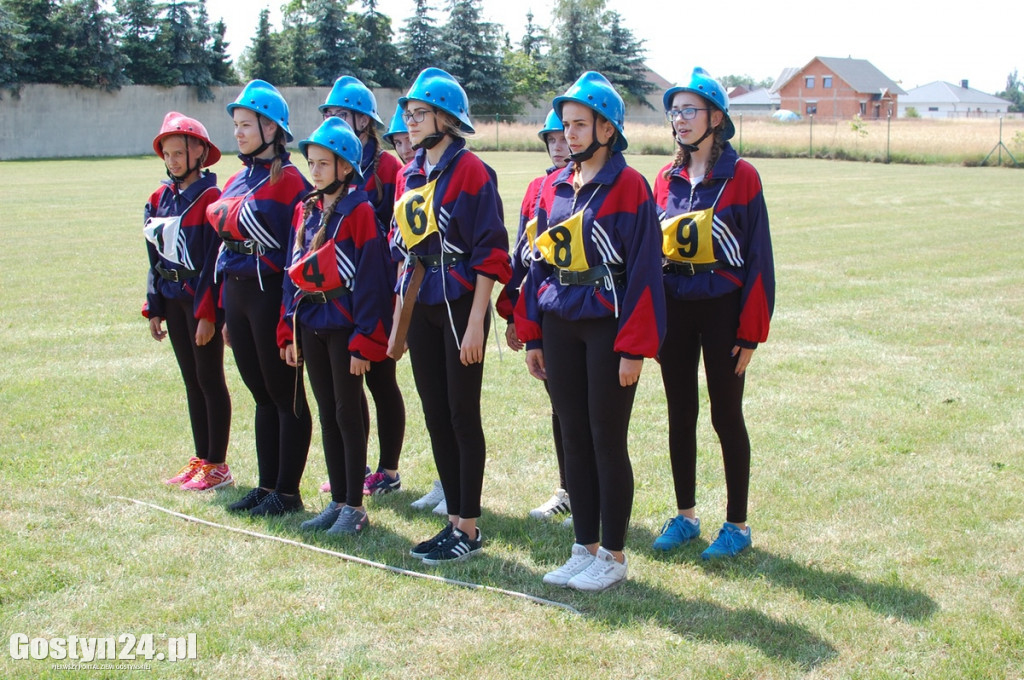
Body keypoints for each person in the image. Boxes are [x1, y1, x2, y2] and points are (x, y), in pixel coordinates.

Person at [515, 72, 665, 591]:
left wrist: (634, 348)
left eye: (580, 124)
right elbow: (538, 264)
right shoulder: (555, 188)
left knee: (606, 440)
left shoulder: (631, 188)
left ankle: (615, 555)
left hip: (608, 329)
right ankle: (585, 545)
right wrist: (532, 335)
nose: (569, 133)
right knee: (573, 437)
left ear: (607, 128)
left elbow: (645, 272)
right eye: (566, 124)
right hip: (559, 322)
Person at [650, 68, 775, 559]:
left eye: (689, 110)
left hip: (724, 310)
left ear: (716, 118)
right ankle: (685, 517)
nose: (679, 120)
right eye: (675, 111)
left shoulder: (742, 176)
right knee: (680, 414)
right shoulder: (666, 177)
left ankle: (737, 526)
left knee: (726, 415)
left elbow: (759, 258)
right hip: (676, 309)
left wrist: (751, 332)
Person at [388, 67, 511, 564]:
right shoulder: (409, 171)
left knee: (463, 414)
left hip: (461, 301)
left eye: (419, 113)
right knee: (436, 412)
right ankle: (452, 520)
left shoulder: (474, 172)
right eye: (409, 114)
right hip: (421, 300)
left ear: (446, 117)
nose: (410, 122)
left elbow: (490, 252)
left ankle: (470, 527)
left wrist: (478, 319)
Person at [283, 117, 395, 535]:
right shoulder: (305, 209)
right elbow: (290, 272)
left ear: (346, 166)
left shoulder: (360, 211)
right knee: (327, 414)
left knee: (349, 414)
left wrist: (366, 340)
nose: (314, 171)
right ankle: (337, 501)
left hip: (345, 327)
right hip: (311, 321)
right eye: (311, 163)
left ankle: (355, 507)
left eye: (323, 164)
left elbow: (372, 281)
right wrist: (287, 329)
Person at [206, 80, 313, 516]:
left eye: (246, 124)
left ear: (272, 128)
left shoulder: (292, 182)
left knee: (285, 395)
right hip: (238, 293)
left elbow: (300, 255)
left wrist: (290, 321)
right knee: (261, 395)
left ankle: (288, 492)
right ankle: (267, 485)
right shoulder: (237, 179)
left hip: (271, 295)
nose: (238, 133)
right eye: (236, 125)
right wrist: (224, 313)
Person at [317, 76, 407, 498]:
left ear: (364, 121)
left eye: (342, 114)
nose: (335, 120)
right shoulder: (329, 169)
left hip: (380, 287)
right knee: (346, 391)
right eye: (330, 114)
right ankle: (357, 469)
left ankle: (387, 471)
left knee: (381, 380)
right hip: (339, 296)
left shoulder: (388, 167)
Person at [145, 112, 233, 491]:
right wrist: (154, 306)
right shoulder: (158, 198)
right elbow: (155, 256)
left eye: (180, 152)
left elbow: (216, 263)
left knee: (210, 379)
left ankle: (218, 464)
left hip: (200, 304)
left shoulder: (212, 198)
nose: (173, 160)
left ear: (200, 153)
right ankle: (201, 458)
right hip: (172, 298)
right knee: (191, 381)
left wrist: (209, 314)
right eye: (168, 153)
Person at [496, 109, 572, 522]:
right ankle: (568, 488)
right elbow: (523, 258)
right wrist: (511, 311)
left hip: (582, 309)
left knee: (586, 410)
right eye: (553, 139)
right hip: (544, 308)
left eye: (566, 137)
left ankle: (590, 490)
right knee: (559, 404)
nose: (560, 146)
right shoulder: (536, 188)